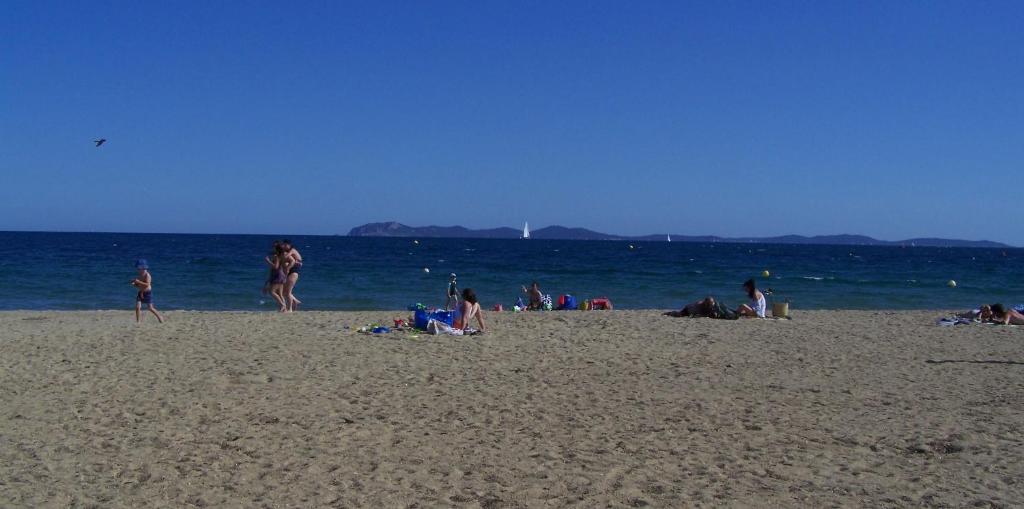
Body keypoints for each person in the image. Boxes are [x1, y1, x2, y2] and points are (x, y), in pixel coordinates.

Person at [264, 243, 288, 312]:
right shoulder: (281, 256)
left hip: (277, 275)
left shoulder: (277, 256)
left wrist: (268, 261)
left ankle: (282, 305)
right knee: (280, 294)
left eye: (274, 247)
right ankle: (284, 309)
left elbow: (275, 267)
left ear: (276, 249)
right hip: (281, 275)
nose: (273, 248)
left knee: (272, 292)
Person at [281, 239, 302, 312]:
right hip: (292, 269)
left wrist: (281, 255)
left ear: (289, 245)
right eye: (283, 245)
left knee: (288, 292)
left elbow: (287, 256)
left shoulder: (292, 250)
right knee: (285, 291)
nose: (284, 246)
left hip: (295, 269)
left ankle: (290, 308)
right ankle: (295, 300)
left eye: (286, 245)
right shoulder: (288, 251)